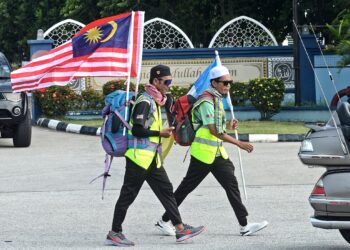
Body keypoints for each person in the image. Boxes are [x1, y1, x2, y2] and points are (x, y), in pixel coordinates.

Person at [155, 65, 268, 237]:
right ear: (214, 83)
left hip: (216, 154)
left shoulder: (217, 99)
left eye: (230, 83)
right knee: (186, 188)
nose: (228, 86)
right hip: (203, 154)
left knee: (231, 185)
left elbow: (218, 128)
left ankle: (244, 225)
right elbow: (214, 131)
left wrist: (229, 125)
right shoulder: (206, 101)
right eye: (224, 83)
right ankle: (164, 221)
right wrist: (239, 143)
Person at [106, 65, 205, 246]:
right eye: (166, 82)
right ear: (155, 81)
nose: (169, 85)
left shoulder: (157, 100)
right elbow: (137, 130)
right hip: (138, 158)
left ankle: (180, 229)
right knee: (128, 195)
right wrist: (160, 133)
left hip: (151, 158)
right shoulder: (145, 101)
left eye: (170, 81)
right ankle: (115, 232)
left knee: (166, 191)